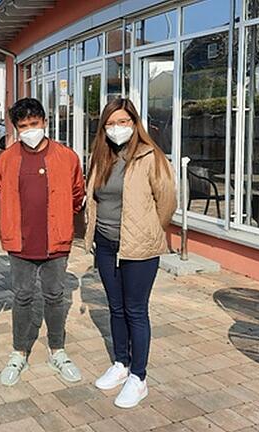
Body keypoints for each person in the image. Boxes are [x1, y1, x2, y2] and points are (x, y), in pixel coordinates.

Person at [84, 97, 176, 408]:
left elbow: (167, 203)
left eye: (123, 122)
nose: (116, 129)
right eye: (110, 123)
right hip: (107, 245)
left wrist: (149, 231)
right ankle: (121, 364)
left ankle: (139, 377)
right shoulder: (101, 157)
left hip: (139, 248)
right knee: (115, 307)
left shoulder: (151, 156)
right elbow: (95, 199)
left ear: (134, 123)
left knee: (136, 310)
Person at [0, 98, 85, 386]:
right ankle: (18, 351)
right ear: (16, 128)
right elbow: (0, 189)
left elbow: (76, 194)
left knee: (55, 297)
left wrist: (59, 218)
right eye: (23, 126)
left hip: (55, 241)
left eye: (34, 124)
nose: (30, 130)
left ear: (44, 122)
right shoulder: (7, 159)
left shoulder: (67, 157)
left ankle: (57, 350)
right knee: (21, 297)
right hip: (20, 242)